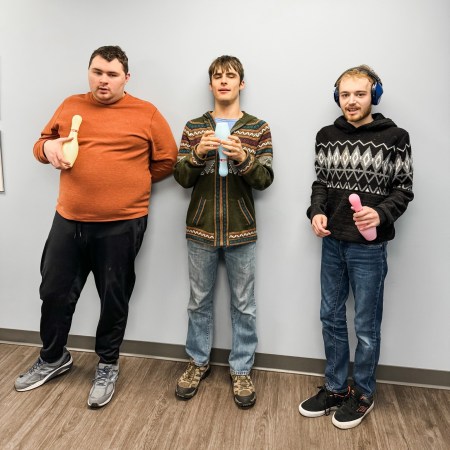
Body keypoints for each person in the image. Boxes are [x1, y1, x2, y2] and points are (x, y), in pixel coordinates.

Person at [14, 45, 178, 408]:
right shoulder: (70, 105)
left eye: (112, 74)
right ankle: (53, 358)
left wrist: (128, 183)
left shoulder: (147, 113)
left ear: (126, 78)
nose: (103, 81)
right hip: (68, 219)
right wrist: (48, 149)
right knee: (54, 292)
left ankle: (107, 364)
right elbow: (41, 144)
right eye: (97, 72)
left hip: (122, 224)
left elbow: (167, 160)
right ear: (89, 72)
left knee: (114, 298)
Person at [299, 65, 414, 429]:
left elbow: (404, 189)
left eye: (360, 94)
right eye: (345, 95)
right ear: (338, 97)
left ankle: (363, 393)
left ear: (373, 96)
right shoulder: (326, 135)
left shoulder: (396, 137)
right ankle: (335, 388)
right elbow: (320, 183)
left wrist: (380, 214)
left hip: (369, 248)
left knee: (365, 325)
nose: (351, 101)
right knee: (330, 317)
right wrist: (316, 212)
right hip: (332, 243)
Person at [173, 55, 274, 408]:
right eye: (217, 76)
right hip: (200, 229)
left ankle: (242, 368)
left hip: (241, 230)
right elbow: (181, 177)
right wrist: (197, 154)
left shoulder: (258, 127)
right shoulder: (193, 127)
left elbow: (265, 179)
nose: (224, 81)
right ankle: (197, 362)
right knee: (198, 302)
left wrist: (243, 158)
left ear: (241, 83)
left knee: (244, 305)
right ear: (211, 84)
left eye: (230, 76)